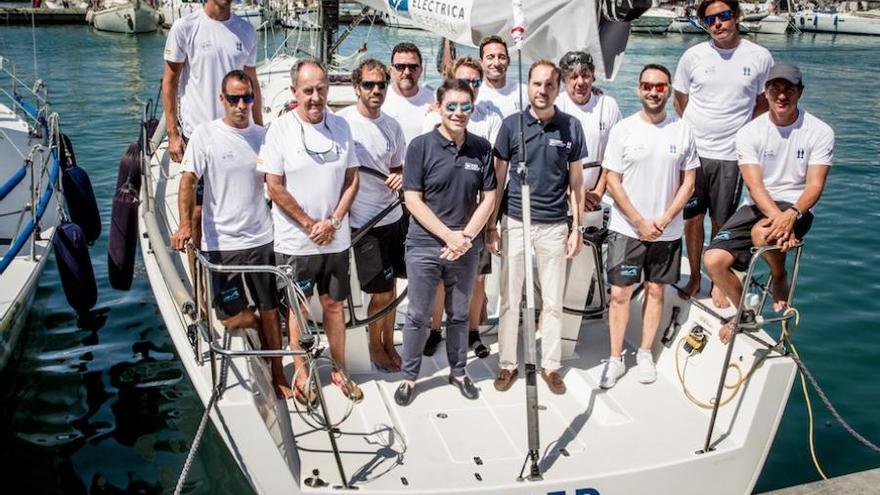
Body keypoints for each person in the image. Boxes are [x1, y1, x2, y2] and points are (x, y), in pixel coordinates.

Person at [170, 70, 288, 399]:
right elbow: (188, 182)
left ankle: (278, 372)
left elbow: (280, 184)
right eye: (234, 98)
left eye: (247, 98)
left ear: (253, 99)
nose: (241, 105)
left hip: (262, 239)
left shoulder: (264, 137)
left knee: (269, 309)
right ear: (222, 100)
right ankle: (258, 332)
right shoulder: (206, 136)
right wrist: (183, 225)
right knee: (232, 317)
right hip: (221, 244)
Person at [257, 59, 362, 405]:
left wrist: (331, 221)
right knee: (299, 312)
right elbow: (274, 185)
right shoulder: (280, 130)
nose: (315, 97)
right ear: (294, 93)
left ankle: (339, 370)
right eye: (308, 91)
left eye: (321, 89)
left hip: (335, 239)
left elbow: (352, 180)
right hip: (296, 244)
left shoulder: (342, 127)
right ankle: (303, 376)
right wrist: (308, 224)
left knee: (334, 305)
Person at [703, 64, 833, 343]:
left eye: (789, 88)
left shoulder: (820, 131)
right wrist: (779, 219)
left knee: (762, 234)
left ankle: (779, 274)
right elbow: (754, 185)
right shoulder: (750, 132)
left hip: (798, 204)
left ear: (800, 92)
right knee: (712, 260)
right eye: (775, 88)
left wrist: (793, 214)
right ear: (766, 91)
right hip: (759, 203)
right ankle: (745, 315)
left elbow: (814, 185)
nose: (781, 95)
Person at [394, 79, 498, 406]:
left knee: (458, 314)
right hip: (425, 245)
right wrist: (449, 236)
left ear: (473, 108)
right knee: (418, 314)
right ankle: (410, 377)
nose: (458, 112)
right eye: (451, 106)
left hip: (465, 248)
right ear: (439, 107)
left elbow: (490, 197)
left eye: (465, 106)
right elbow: (412, 199)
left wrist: (465, 237)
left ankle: (459, 372)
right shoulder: (420, 147)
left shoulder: (481, 149)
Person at [599, 64, 699, 389]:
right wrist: (640, 221)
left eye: (659, 86)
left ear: (669, 90)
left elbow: (689, 183)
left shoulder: (683, 130)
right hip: (627, 229)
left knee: (656, 291)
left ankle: (644, 352)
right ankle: (615, 358)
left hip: (667, 230)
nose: (653, 91)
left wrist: (666, 219)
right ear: (638, 89)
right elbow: (612, 180)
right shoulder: (624, 130)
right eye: (647, 86)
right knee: (619, 294)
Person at [488, 60, 585, 396]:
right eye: (537, 84)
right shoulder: (511, 125)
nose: (542, 91)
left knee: (554, 301)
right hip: (515, 220)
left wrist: (578, 228)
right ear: (527, 86)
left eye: (549, 85)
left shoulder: (571, 127)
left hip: (555, 224)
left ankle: (551, 366)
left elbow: (576, 181)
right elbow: (498, 179)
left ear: (558, 89)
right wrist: (492, 225)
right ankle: (507, 364)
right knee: (510, 298)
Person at [673, 0, 774, 305]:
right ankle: (693, 277)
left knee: (722, 220)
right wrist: (696, 131)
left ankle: (718, 280)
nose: (717, 24)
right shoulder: (693, 55)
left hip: (731, 156)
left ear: (737, 16)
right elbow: (680, 99)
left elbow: (763, 102)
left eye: (723, 16)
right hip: (694, 154)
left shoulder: (759, 57)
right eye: (709, 20)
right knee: (692, 218)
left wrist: (739, 132)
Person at [163, 0, 262, 285]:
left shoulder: (245, 30)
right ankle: (200, 283)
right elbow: (169, 81)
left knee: (242, 206)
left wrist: (261, 131)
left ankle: (239, 276)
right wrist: (173, 134)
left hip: (240, 135)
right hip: (199, 136)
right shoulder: (186, 28)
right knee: (196, 214)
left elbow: (251, 82)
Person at [421, 56, 502, 360]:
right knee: (442, 278)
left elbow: (492, 172)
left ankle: (472, 332)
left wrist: (489, 224)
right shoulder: (433, 117)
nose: (470, 86)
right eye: (464, 80)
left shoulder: (491, 119)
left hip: (477, 213)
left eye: (475, 82)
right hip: (442, 213)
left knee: (477, 279)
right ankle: (435, 329)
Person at [338, 59, 407, 372]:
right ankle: (373, 344)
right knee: (380, 291)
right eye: (369, 85)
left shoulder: (392, 125)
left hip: (393, 218)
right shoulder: (342, 124)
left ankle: (388, 342)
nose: (376, 90)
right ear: (357, 88)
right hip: (364, 224)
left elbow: (398, 166)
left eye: (381, 84)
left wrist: (400, 176)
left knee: (391, 290)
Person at [556, 50, 622, 212]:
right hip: (560, 197)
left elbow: (615, 155)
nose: (580, 82)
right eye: (573, 76)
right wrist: (572, 194)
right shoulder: (555, 106)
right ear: (564, 80)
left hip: (598, 197)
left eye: (585, 75)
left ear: (593, 76)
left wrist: (598, 192)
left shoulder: (608, 105)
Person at [383, 43, 435, 149]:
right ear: (391, 70)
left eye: (413, 67)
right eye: (400, 67)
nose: (407, 72)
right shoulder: (379, 99)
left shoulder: (435, 100)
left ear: (421, 69)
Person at [476, 35, 527, 119]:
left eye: (501, 57)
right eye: (490, 57)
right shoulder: (475, 95)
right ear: (480, 62)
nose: (496, 63)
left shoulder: (523, 91)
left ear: (509, 61)